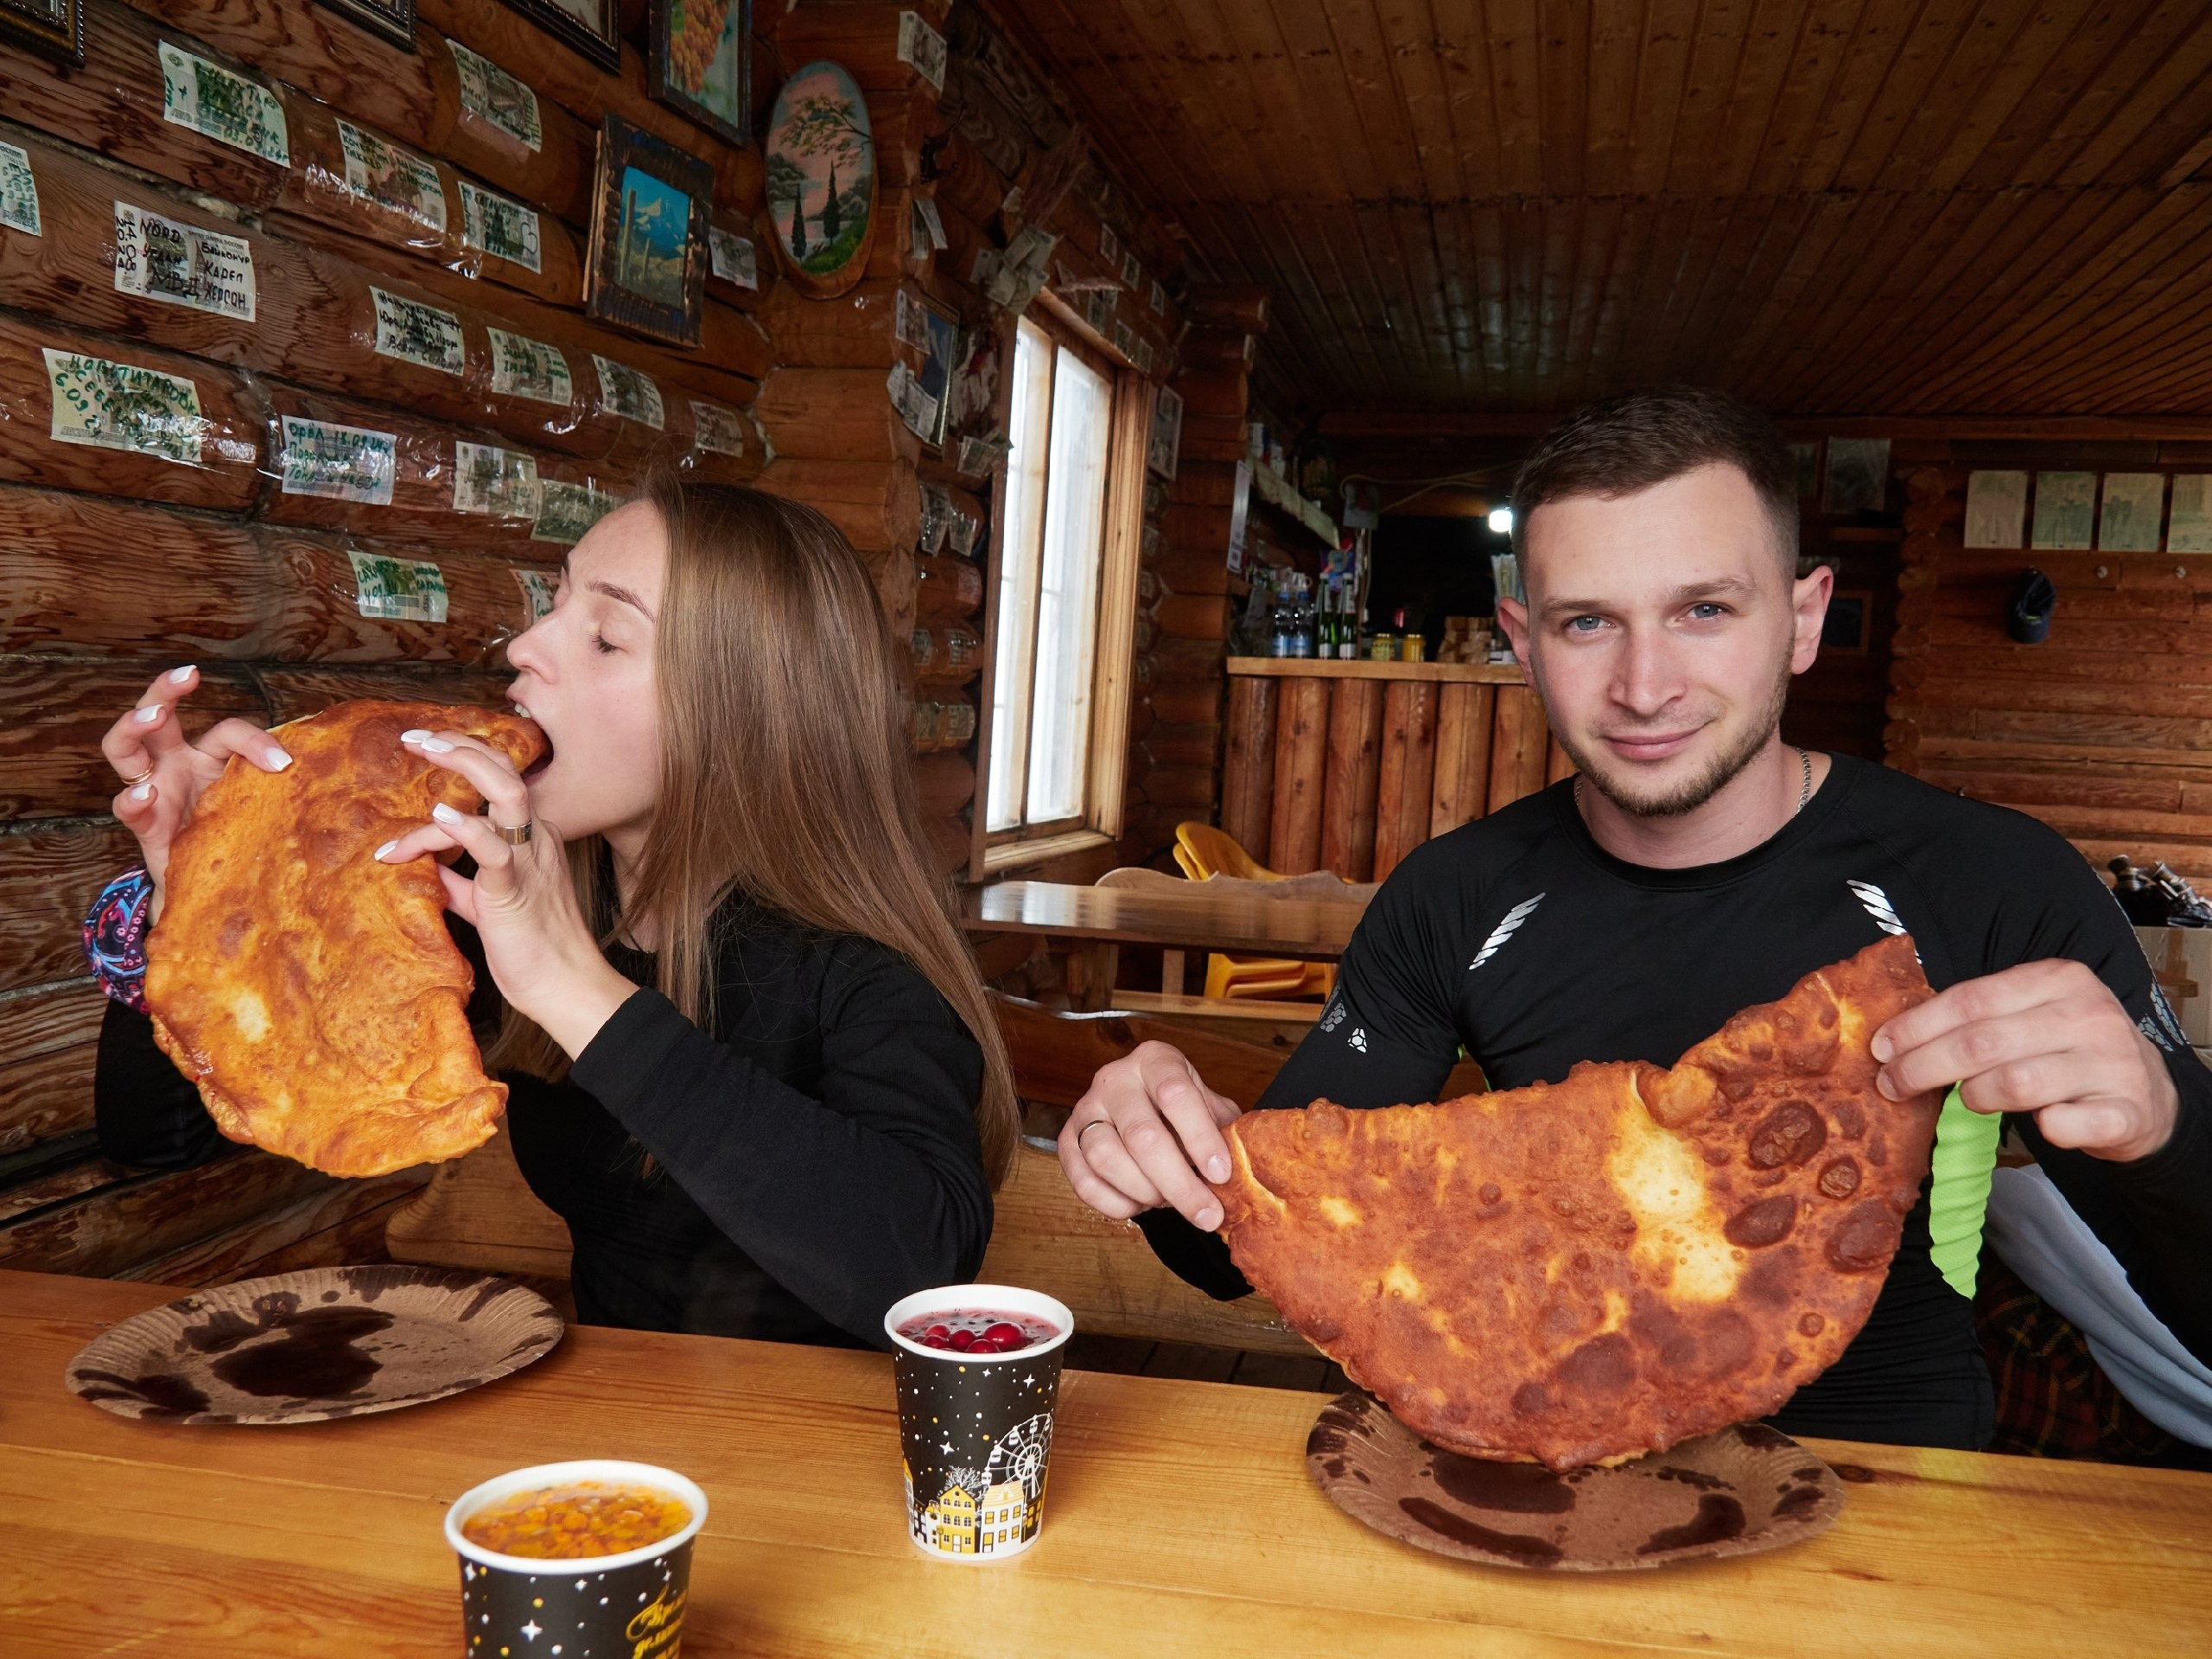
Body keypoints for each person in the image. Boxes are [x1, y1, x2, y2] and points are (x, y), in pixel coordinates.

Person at [1057, 385, 2212, 1450]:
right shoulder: (1457, 895)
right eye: (1587, 623)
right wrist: (1163, 1157)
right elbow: (1246, 1243)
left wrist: (2164, 1127)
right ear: (1524, 644)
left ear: (1802, 620)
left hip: (1890, 1480)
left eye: (1704, 609)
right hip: (1552, 1470)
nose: (1645, 686)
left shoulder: (1993, 882)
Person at [85, 479, 1017, 1350]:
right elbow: (158, 1141)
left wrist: (575, 991)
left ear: (746, 713)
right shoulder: (493, 904)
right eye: (553, 603)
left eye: (606, 637)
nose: (524, 648)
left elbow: (920, 1271)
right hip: (599, 1445)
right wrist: (202, 895)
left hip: (823, 1453)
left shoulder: (862, 975)